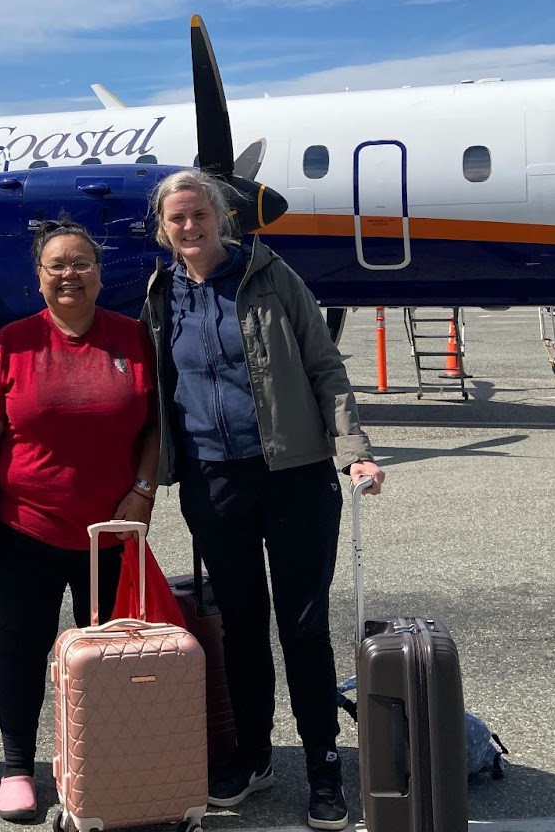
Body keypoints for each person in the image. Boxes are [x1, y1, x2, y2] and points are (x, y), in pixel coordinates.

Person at [138, 170, 385, 832]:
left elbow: (324, 366)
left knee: (303, 627)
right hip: (212, 480)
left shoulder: (274, 278)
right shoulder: (162, 294)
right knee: (241, 626)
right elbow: (152, 386)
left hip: (294, 473)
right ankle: (253, 757)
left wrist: (353, 448)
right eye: (176, 218)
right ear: (163, 229)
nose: (189, 226)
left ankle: (324, 765)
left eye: (199, 214)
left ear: (221, 217)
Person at [0, 218, 160, 823]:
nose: (69, 274)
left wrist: (144, 491)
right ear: (39, 277)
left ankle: (98, 758)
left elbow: (156, 427)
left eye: (81, 263)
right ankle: (18, 767)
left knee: (110, 654)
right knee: (22, 646)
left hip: (111, 531)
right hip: (28, 527)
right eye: (57, 265)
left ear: (99, 275)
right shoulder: (12, 343)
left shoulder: (133, 338)